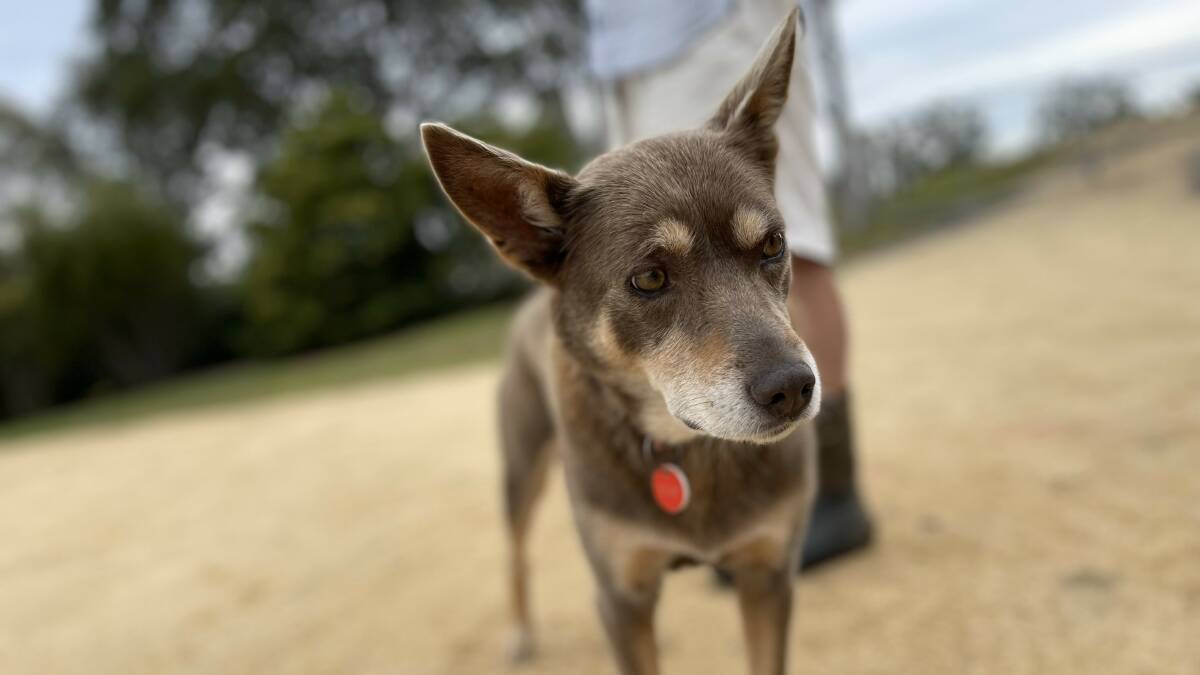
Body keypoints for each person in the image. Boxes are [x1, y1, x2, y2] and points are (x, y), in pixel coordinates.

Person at [585, 0, 872, 568]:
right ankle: (722, 504)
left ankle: (828, 494)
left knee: (792, 245)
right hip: (627, 49)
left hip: (718, 22)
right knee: (675, 255)